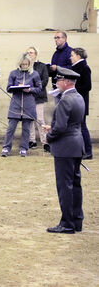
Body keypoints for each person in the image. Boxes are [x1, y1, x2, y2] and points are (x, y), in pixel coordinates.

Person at [43, 67, 84, 234]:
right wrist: (51, 127)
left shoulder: (65, 100)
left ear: (66, 82)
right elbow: (70, 123)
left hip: (65, 147)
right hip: (76, 144)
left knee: (64, 186)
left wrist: (49, 136)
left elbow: (60, 128)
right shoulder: (79, 97)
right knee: (75, 185)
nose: (57, 83)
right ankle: (76, 220)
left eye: (59, 80)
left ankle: (67, 223)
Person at [0, 54, 41, 157]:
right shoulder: (13, 73)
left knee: (26, 129)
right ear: (19, 64)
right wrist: (16, 87)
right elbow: (9, 88)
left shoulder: (35, 74)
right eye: (22, 64)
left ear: (29, 64)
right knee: (11, 128)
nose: (24, 66)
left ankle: (23, 148)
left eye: (26, 64)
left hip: (29, 104)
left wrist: (30, 89)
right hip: (16, 104)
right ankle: (6, 147)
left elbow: (39, 88)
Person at [26, 47, 50, 152]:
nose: (29, 54)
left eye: (31, 53)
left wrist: (34, 88)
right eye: (27, 53)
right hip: (28, 96)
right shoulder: (24, 65)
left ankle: (45, 142)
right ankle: (32, 140)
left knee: (39, 119)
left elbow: (44, 80)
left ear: (36, 54)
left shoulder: (42, 66)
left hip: (39, 96)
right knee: (30, 120)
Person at [70, 47, 92, 160]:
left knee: (82, 126)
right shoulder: (75, 68)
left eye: (72, 55)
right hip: (75, 101)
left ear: (78, 56)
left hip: (81, 101)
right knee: (77, 126)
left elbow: (88, 86)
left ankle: (88, 151)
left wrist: (73, 89)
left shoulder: (84, 68)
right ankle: (80, 150)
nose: (70, 57)